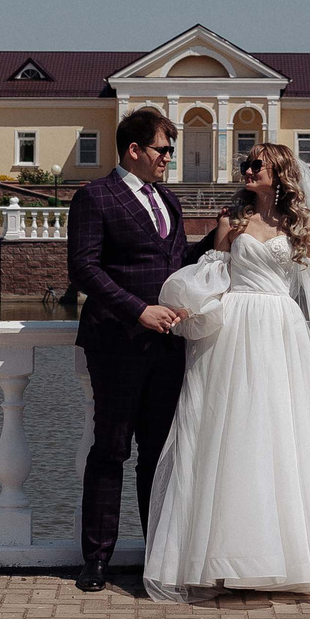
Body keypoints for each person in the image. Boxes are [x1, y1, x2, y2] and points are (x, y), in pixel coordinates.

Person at [139, 139, 310, 602]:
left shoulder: (298, 225)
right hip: (232, 334)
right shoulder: (232, 220)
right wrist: (187, 306)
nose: (247, 169)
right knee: (228, 436)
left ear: (279, 172)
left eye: (255, 164)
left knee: (289, 434)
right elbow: (212, 273)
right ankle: (221, 560)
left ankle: (296, 556)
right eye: (245, 163)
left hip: (282, 332)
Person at [64, 107, 191, 592]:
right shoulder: (94, 196)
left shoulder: (169, 201)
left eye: (171, 151)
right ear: (134, 150)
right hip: (117, 342)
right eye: (163, 149)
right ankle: (96, 560)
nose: (169, 159)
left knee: (158, 455)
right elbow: (85, 269)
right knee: (111, 449)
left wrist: (218, 241)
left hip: (167, 345)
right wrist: (139, 310)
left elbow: (175, 263)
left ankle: (155, 557)